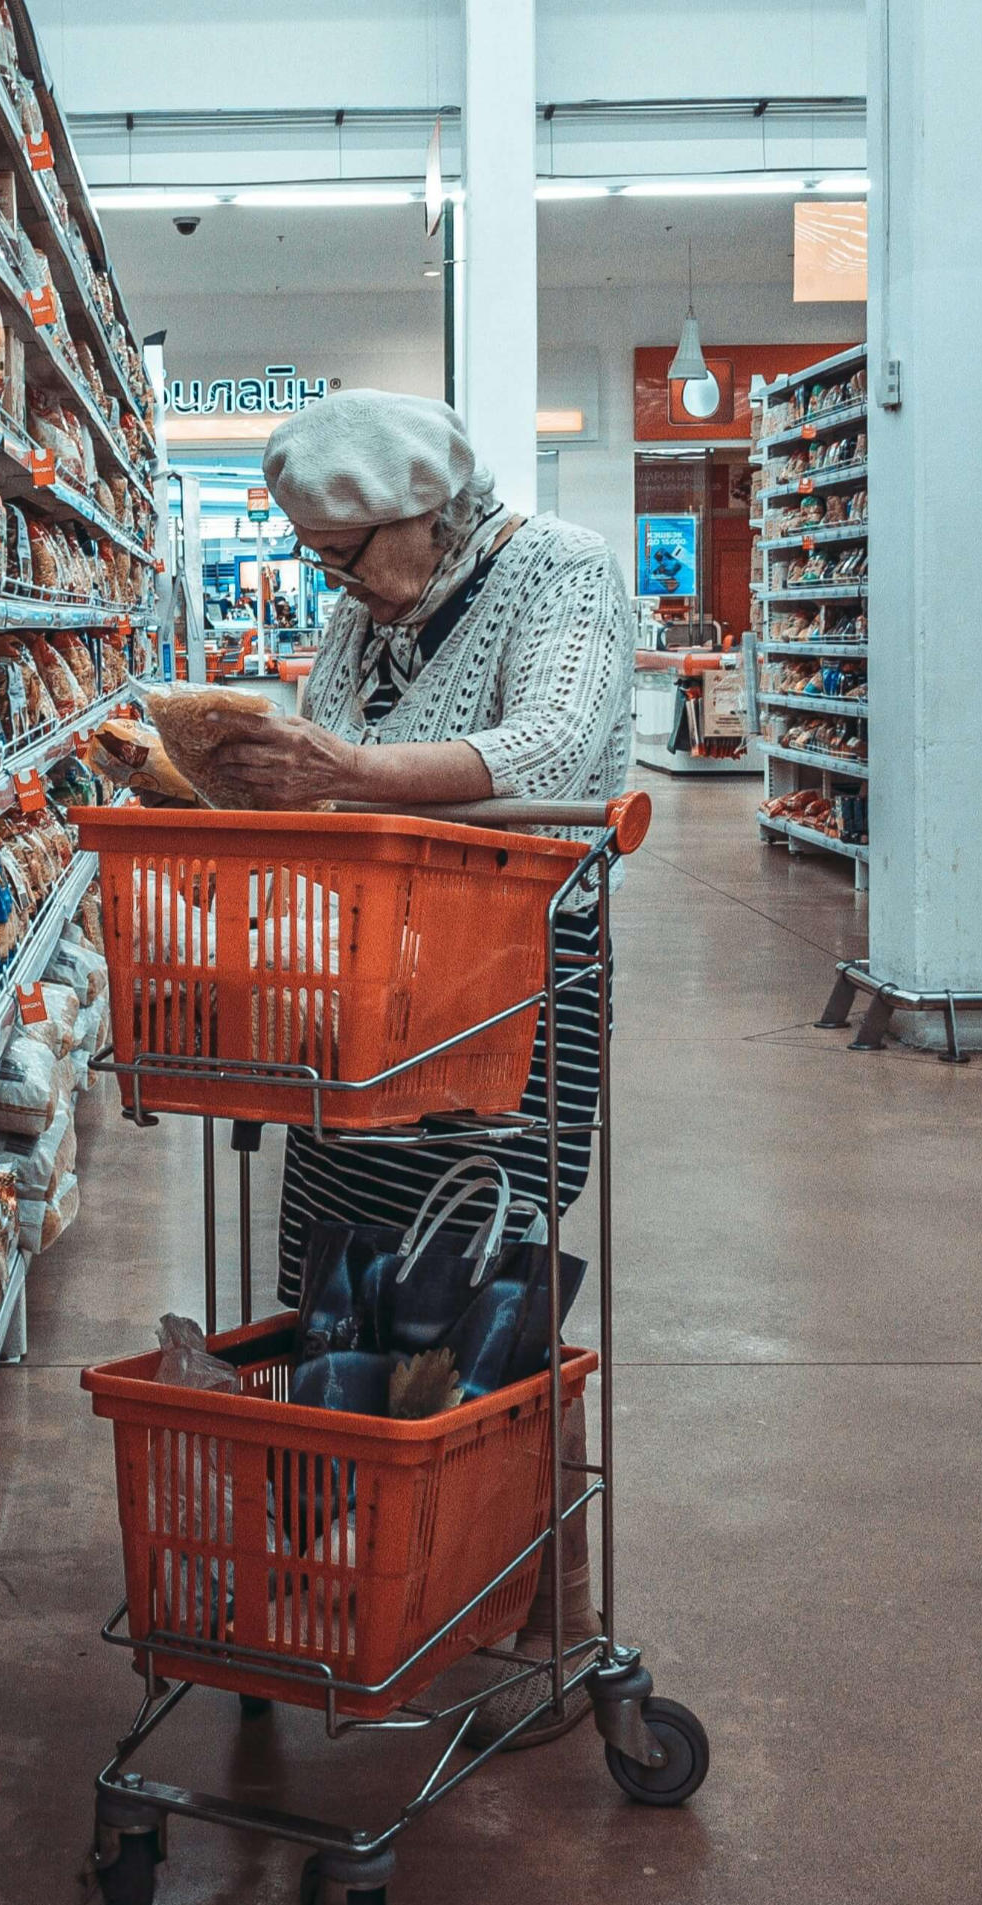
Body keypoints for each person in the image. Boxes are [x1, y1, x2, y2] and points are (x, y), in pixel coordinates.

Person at [209, 389, 636, 1743]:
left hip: (513, 987)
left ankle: (542, 1605)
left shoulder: (562, 575)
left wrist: (346, 766)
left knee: (485, 1281)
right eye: (320, 559)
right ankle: (360, 1583)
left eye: (348, 555)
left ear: (426, 513)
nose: (333, 584)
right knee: (336, 1278)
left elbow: (554, 751)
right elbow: (329, 771)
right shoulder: (359, 620)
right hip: (368, 993)